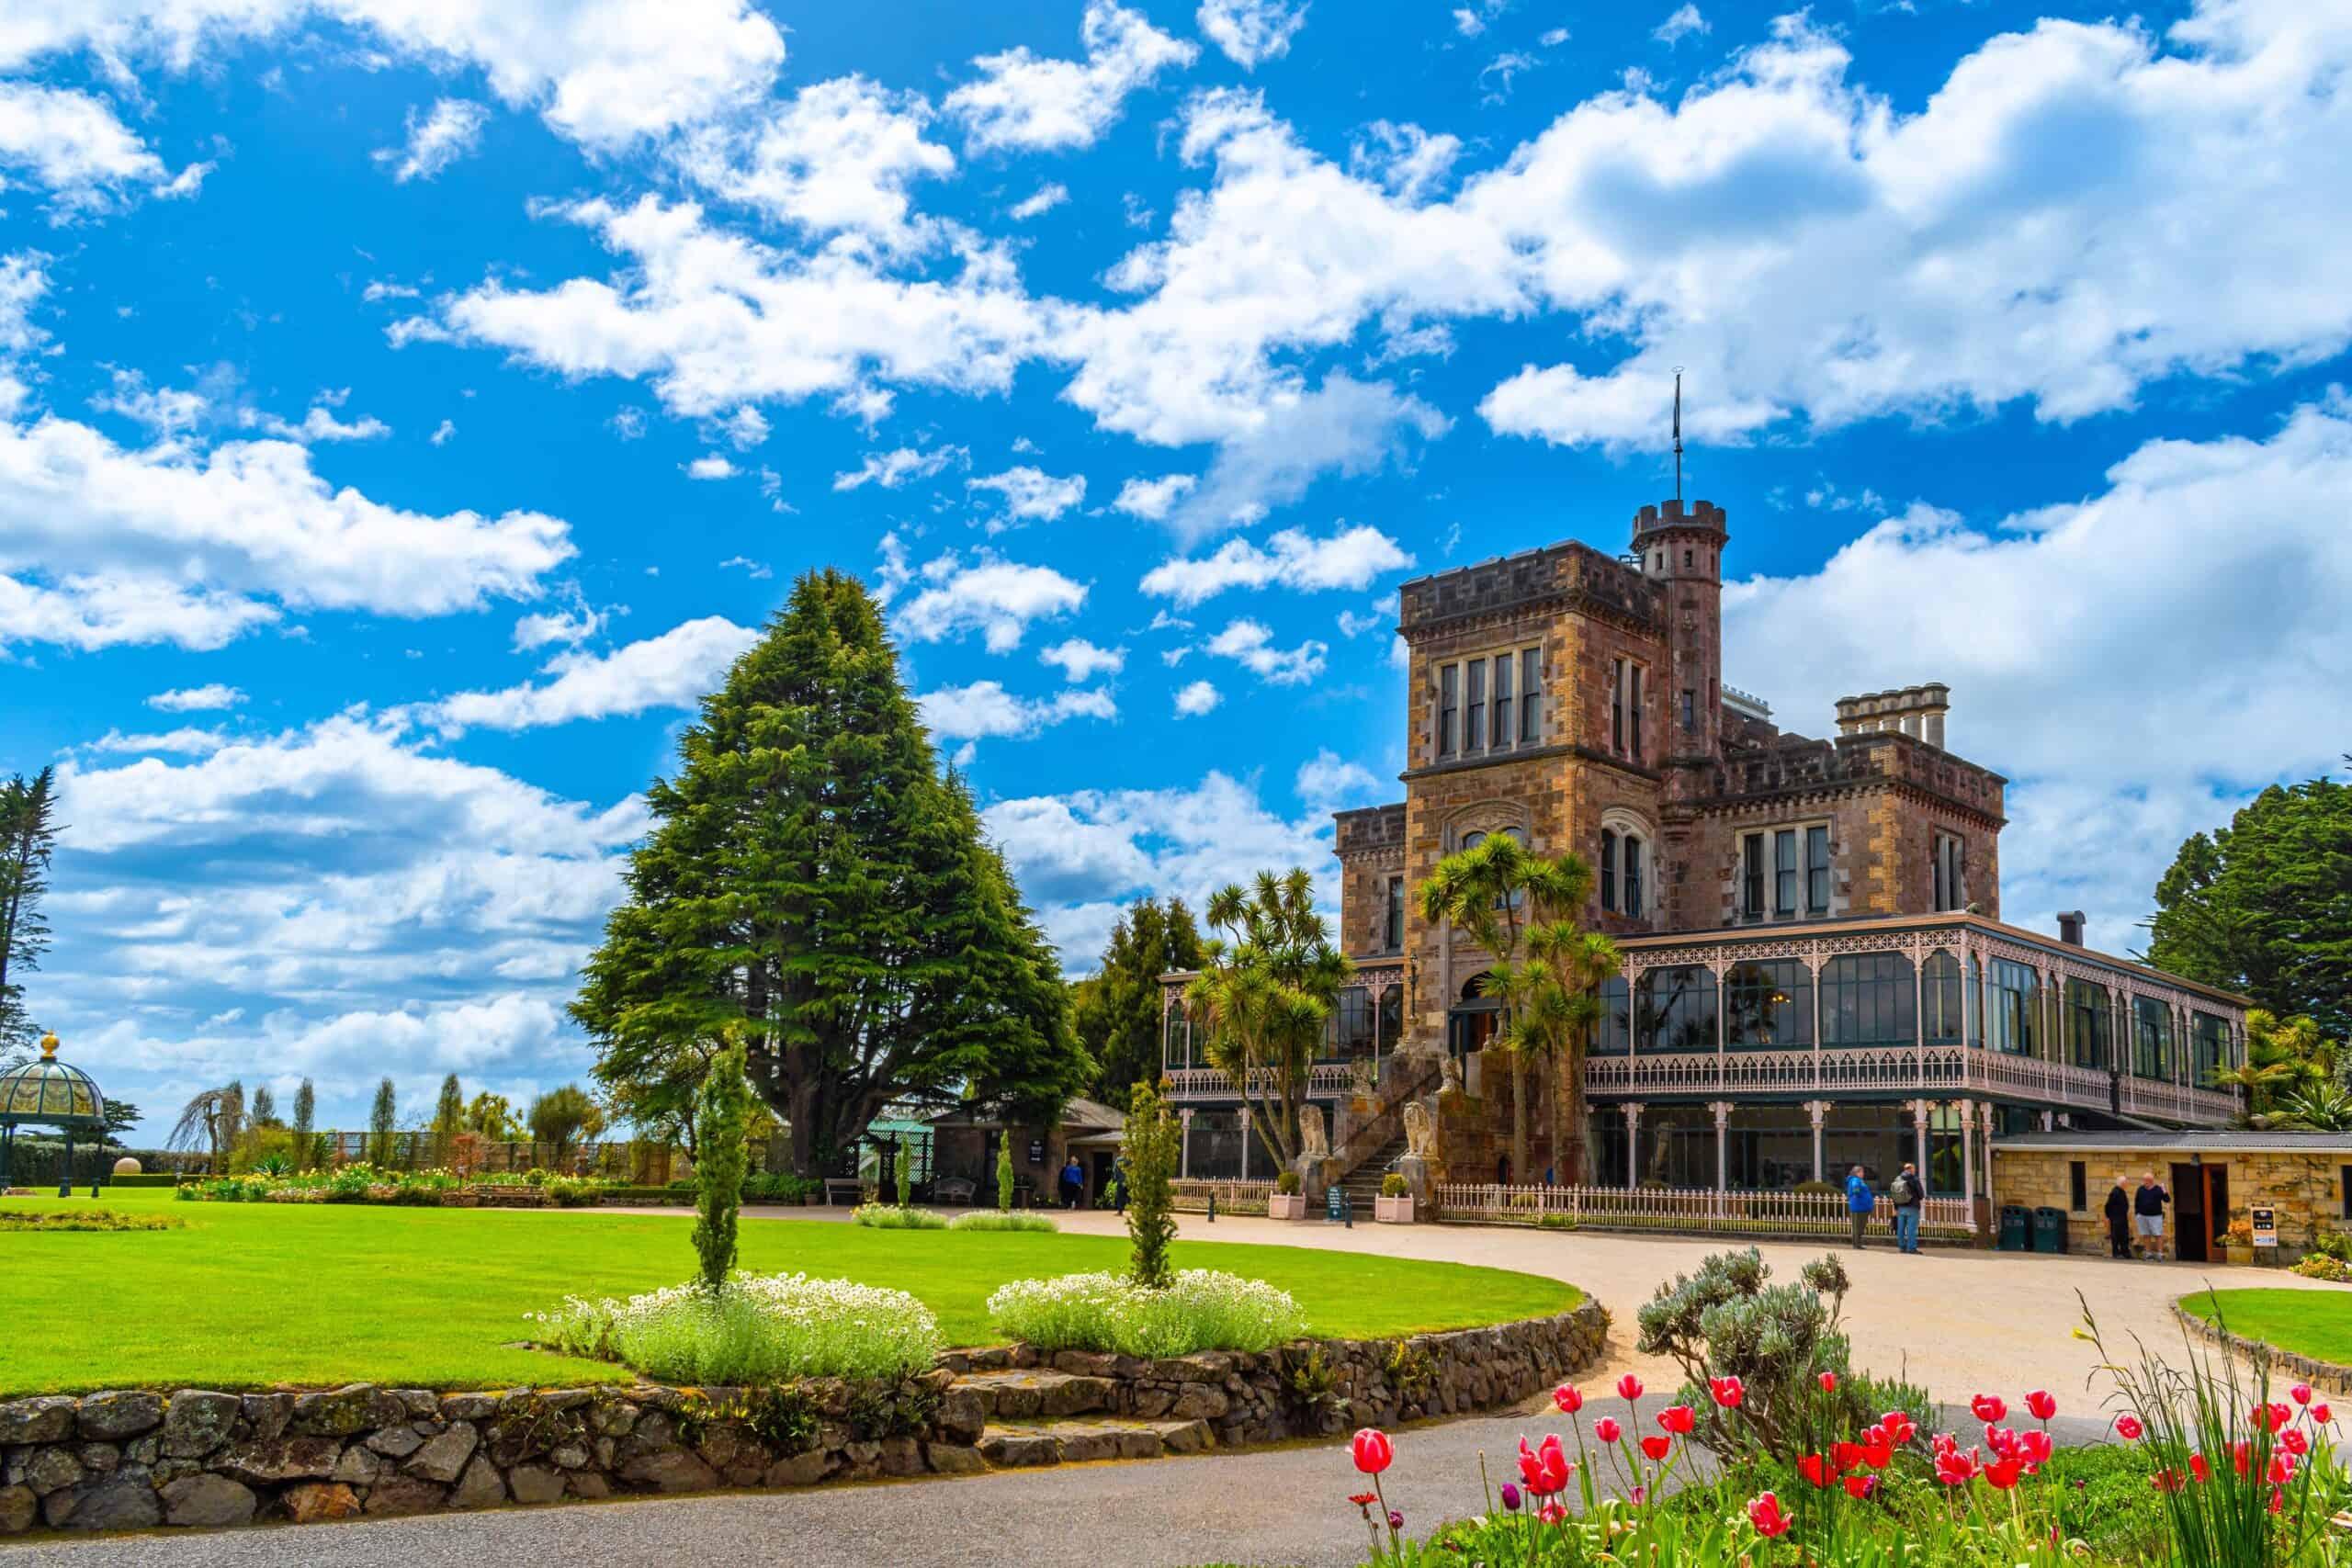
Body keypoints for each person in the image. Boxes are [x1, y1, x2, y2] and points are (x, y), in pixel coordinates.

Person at [1888, 1161, 1925, 1254]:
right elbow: (1921, 1195)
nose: (1914, 1170)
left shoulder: (1897, 1179)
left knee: (1901, 1228)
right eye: (1914, 1169)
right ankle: (1911, 1248)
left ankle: (1902, 1247)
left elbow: (1894, 1194)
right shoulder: (1914, 1179)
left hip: (1900, 1207)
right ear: (1911, 1169)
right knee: (1911, 1229)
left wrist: (1896, 1208)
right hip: (1912, 1207)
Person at [2133, 1171, 2171, 1261]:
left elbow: (2167, 1200)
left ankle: (2160, 1254)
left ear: (2151, 1181)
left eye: (2146, 1180)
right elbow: (2136, 1201)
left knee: (2158, 1235)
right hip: (2142, 1216)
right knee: (2146, 1235)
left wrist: (2164, 1190)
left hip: (2155, 1216)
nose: (2144, 1182)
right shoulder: (2140, 1189)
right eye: (2144, 1180)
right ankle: (2148, 1253)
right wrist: (2137, 1214)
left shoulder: (2158, 1189)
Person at [1845, 1164, 1875, 1248]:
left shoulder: (1859, 1180)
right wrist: (1858, 1195)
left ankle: (1858, 1243)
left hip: (1862, 1207)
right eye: (1861, 1172)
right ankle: (1856, 1244)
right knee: (1857, 1226)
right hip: (1858, 1207)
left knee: (1860, 1227)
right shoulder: (1855, 1180)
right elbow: (1855, 1188)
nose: (1863, 1173)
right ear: (1856, 1172)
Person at [2103, 1176, 2133, 1259]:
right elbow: (2108, 1205)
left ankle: (2125, 1252)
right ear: (2122, 1183)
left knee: (2124, 1235)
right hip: (2116, 1218)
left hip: (2122, 1217)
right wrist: (2109, 1216)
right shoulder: (2115, 1192)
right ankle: (2116, 1253)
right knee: (2116, 1236)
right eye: (2126, 1183)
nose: (2127, 1184)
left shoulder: (2121, 1191)